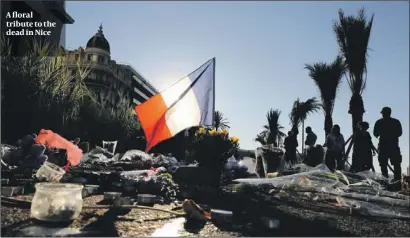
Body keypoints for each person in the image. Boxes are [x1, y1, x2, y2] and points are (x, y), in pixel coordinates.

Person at [373, 107, 403, 181]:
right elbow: (400, 133)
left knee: (384, 165)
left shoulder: (379, 122)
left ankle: (386, 180)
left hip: (384, 146)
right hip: (393, 146)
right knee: (395, 165)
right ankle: (397, 181)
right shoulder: (396, 122)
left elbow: (375, 133)